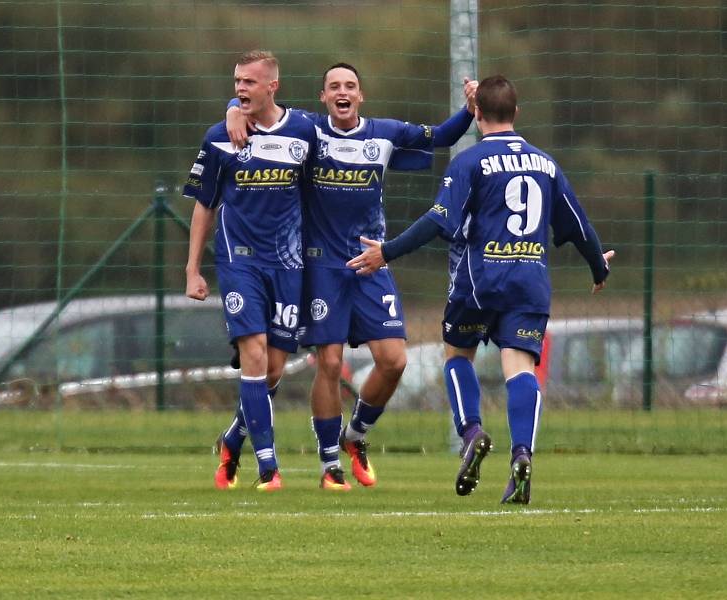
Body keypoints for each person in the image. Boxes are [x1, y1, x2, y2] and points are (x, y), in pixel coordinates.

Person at [347, 75, 615, 504]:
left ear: (477, 115)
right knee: (521, 370)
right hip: (529, 281)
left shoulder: (470, 162)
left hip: (480, 281)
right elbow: (577, 223)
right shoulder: (545, 164)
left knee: (457, 355)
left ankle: (471, 432)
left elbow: (438, 222)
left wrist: (388, 252)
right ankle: (522, 454)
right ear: (517, 113)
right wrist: (597, 264)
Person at [222, 63, 477, 490]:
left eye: (351, 86)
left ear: (360, 96)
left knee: (395, 360)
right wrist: (234, 108)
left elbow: (442, 136)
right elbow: (262, 107)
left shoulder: (383, 133)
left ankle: (354, 436)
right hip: (321, 264)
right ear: (323, 98)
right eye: (334, 86)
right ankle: (328, 467)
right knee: (330, 362)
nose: (343, 92)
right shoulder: (309, 131)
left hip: (371, 260)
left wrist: (469, 110)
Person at [184, 50, 316, 491]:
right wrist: (193, 270)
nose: (240, 89)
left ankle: (231, 439)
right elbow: (205, 205)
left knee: (273, 370)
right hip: (238, 260)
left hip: (288, 263)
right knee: (254, 354)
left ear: (272, 86)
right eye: (236, 81)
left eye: (249, 82)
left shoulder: (303, 131)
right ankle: (269, 467)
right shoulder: (219, 136)